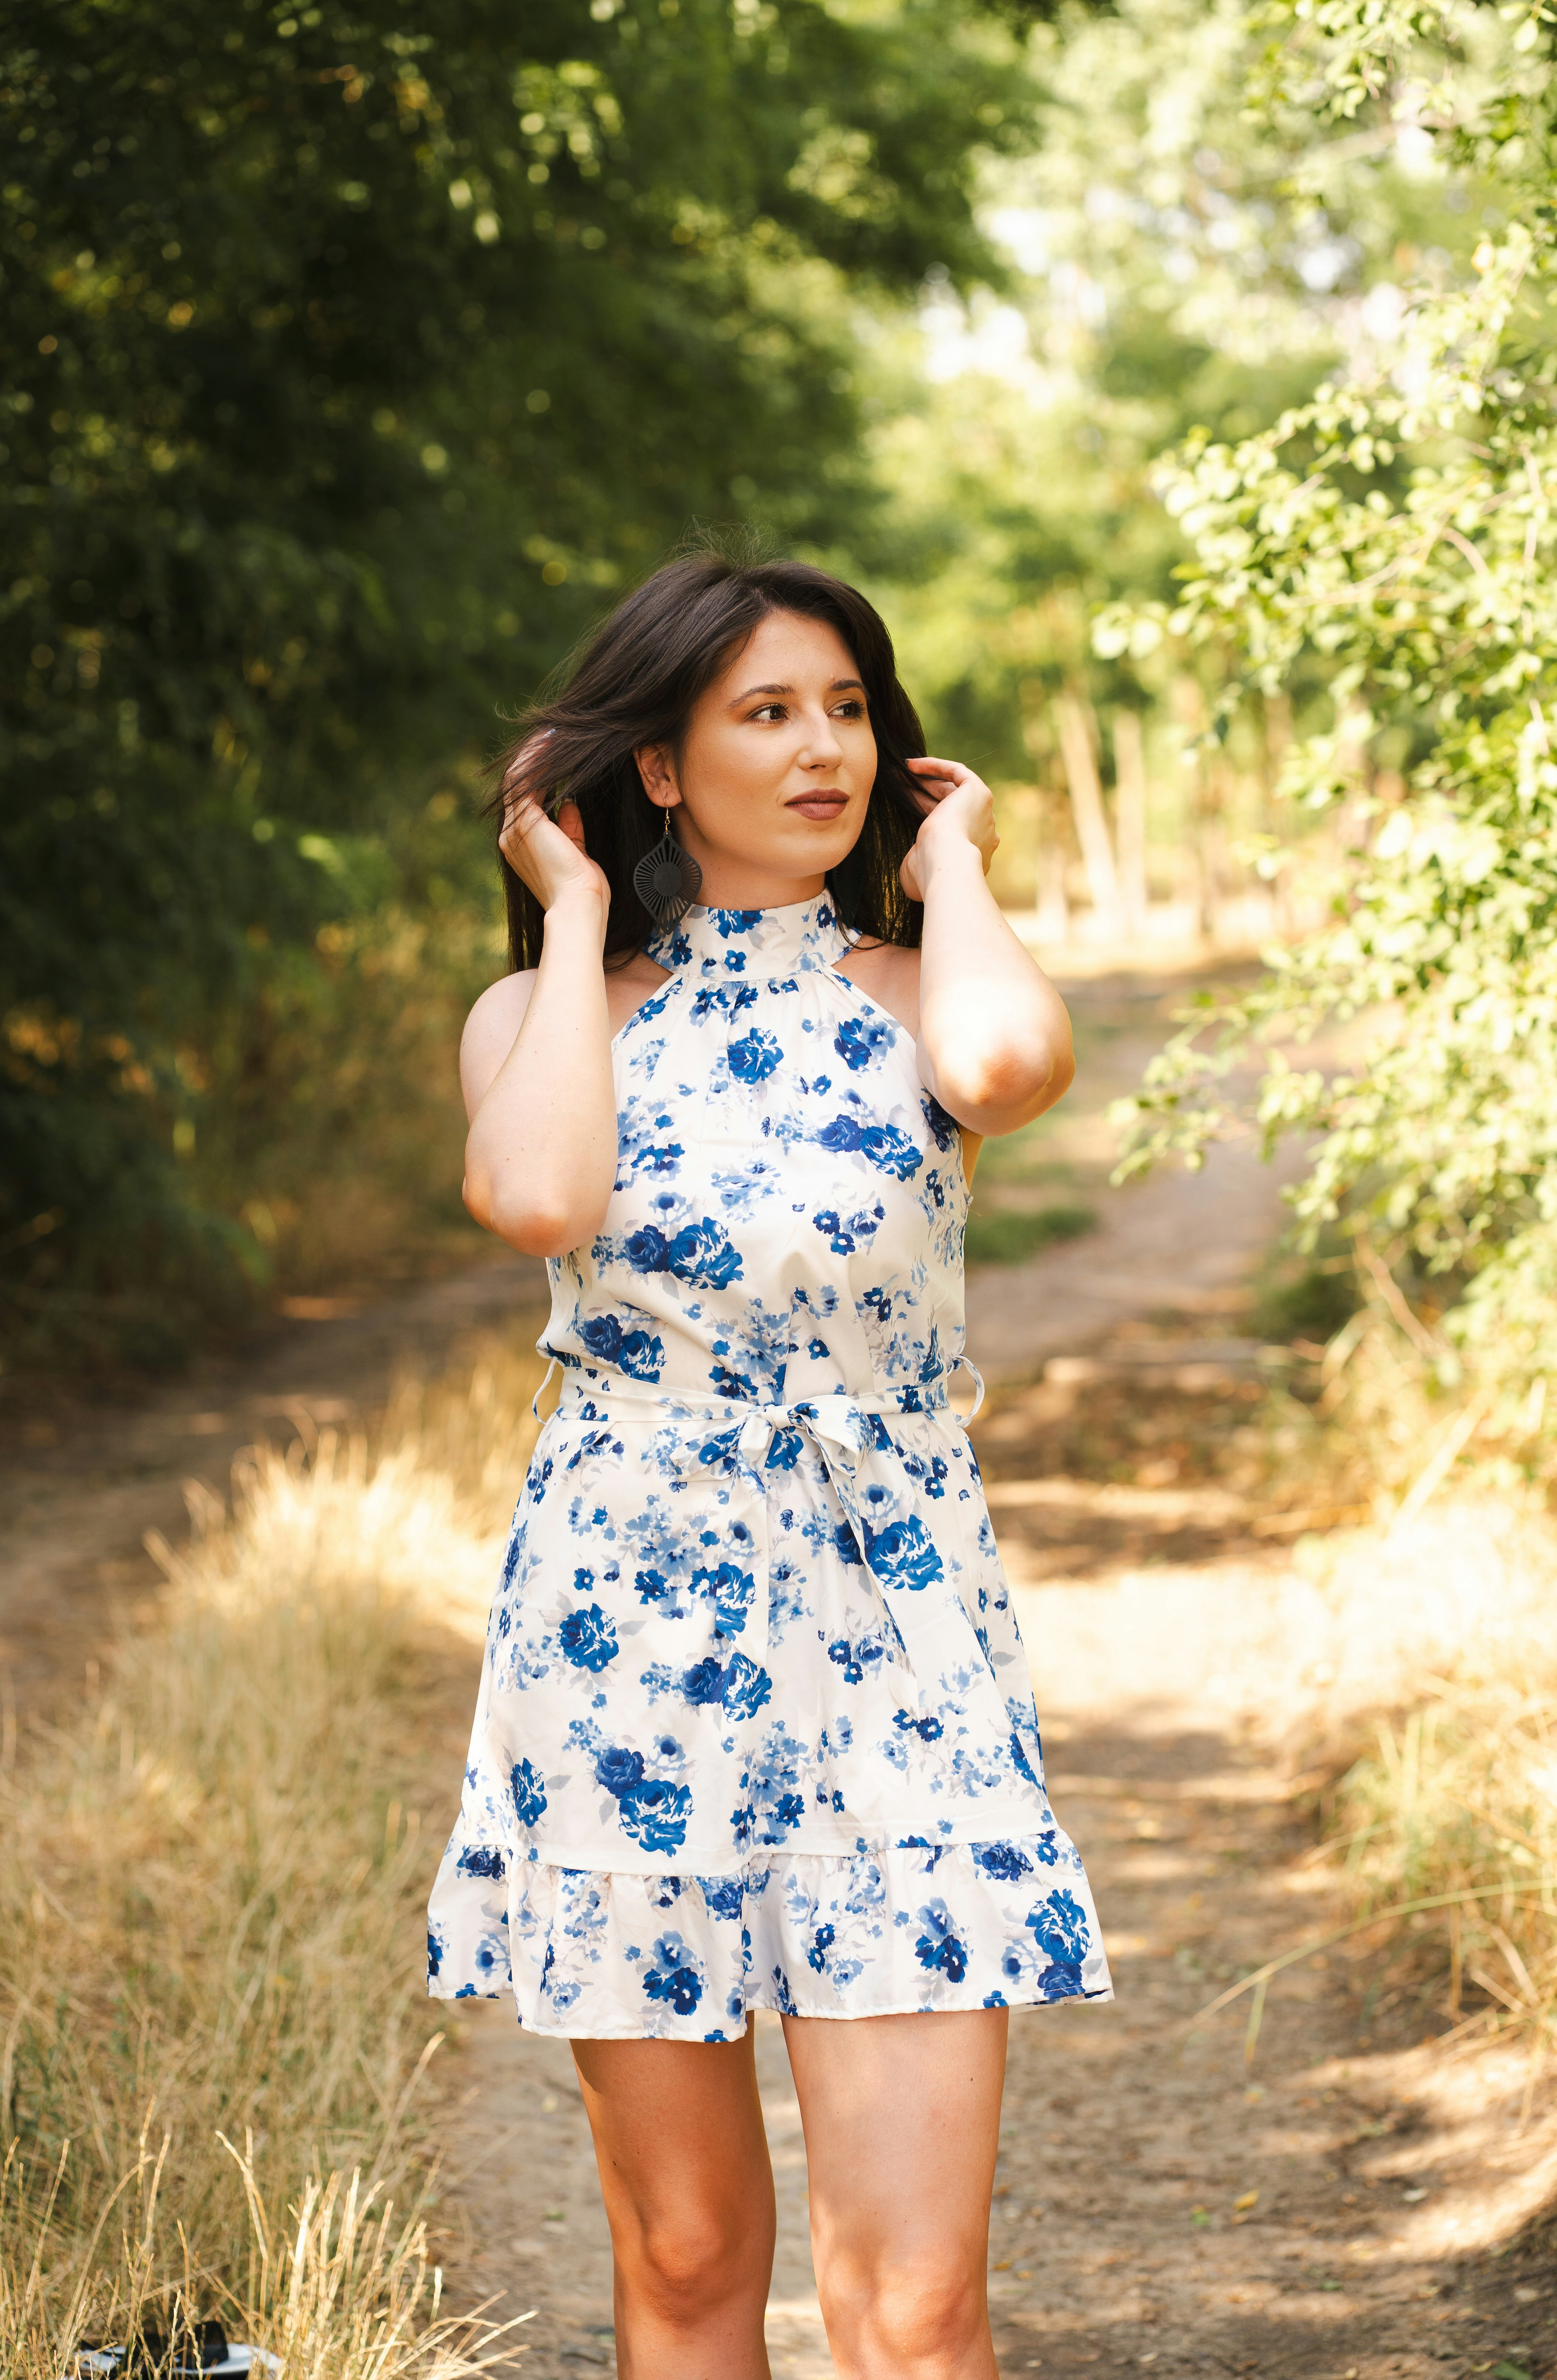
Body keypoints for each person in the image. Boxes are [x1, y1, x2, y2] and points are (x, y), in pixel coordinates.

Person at [428, 553, 1110, 2380]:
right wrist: (572, 922)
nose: (825, 749)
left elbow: (1008, 1059)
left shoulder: (915, 997)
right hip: (625, 1638)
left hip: (894, 1629)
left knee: (915, 2305)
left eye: (848, 709)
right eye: (766, 712)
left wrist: (952, 866)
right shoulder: (546, 1019)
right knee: (687, 2256)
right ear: (658, 765)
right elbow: (542, 1197)